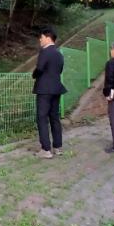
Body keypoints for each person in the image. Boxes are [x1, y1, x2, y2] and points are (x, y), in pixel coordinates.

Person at [32, 27, 68, 159]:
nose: (40, 40)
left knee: (42, 118)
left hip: (44, 89)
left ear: (48, 38)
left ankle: (46, 149)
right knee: (54, 118)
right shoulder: (59, 54)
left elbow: (40, 68)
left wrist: (34, 75)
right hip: (56, 88)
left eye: (41, 37)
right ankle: (57, 147)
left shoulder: (45, 51)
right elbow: (60, 70)